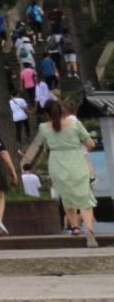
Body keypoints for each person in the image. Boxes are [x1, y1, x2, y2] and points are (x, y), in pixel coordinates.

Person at [40, 98, 100, 247]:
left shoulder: (43, 127)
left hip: (56, 162)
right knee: (84, 196)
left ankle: (75, 227)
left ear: (47, 113)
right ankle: (90, 230)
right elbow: (90, 144)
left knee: (66, 195)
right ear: (62, 111)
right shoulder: (74, 124)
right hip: (76, 159)